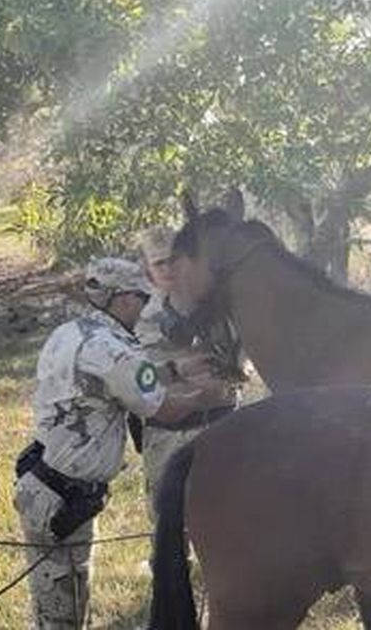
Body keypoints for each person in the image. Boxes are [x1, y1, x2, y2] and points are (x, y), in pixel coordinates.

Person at [14, 257, 235, 629]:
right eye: (140, 297)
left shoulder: (73, 332)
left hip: (48, 485)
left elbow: (120, 381)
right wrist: (205, 398)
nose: (144, 306)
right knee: (62, 615)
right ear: (122, 299)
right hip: (62, 501)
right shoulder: (113, 350)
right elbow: (161, 410)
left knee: (63, 602)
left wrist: (178, 370)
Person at [133, 227, 240, 522]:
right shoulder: (136, 318)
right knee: (168, 527)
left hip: (221, 427)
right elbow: (133, 380)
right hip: (165, 435)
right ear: (147, 270)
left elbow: (240, 363)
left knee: (228, 521)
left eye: (174, 259)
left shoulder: (220, 310)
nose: (168, 269)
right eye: (159, 263)